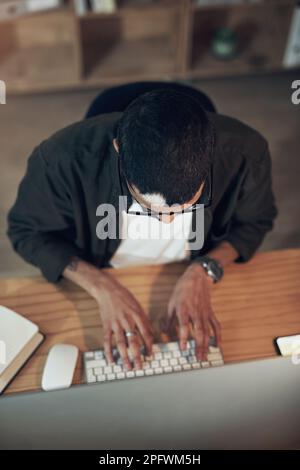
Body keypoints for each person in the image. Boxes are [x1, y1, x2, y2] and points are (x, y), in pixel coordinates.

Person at [7, 82, 277, 370]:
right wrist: (100, 285)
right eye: (151, 209)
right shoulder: (60, 160)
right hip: (100, 269)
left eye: (185, 207)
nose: (167, 221)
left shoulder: (245, 152)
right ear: (118, 151)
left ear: (209, 153)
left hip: (187, 270)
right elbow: (28, 232)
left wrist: (205, 269)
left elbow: (255, 222)